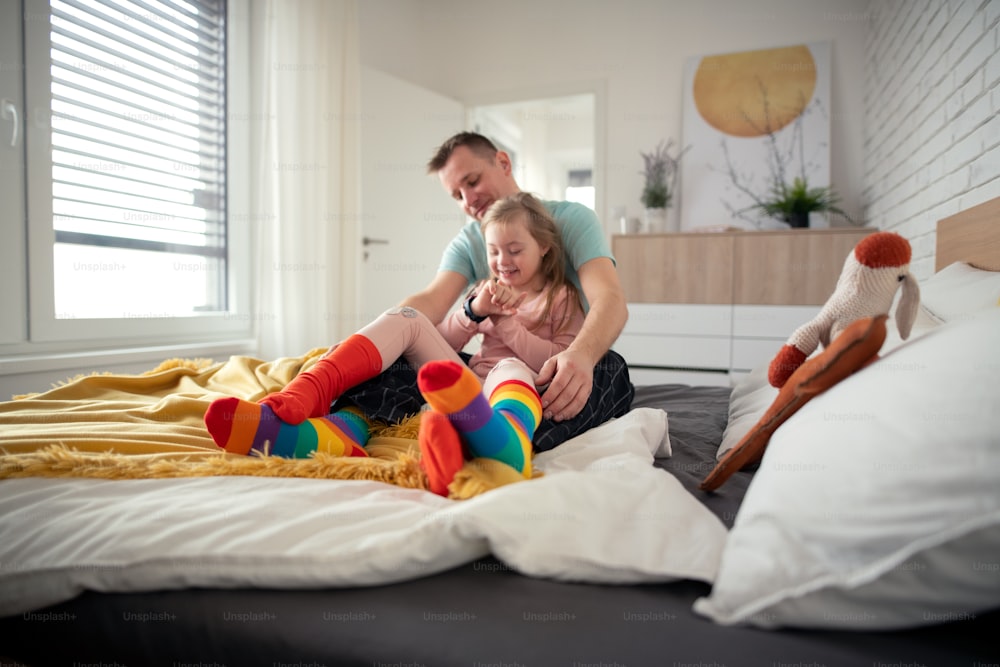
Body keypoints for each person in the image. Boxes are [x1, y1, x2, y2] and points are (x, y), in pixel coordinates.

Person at [204, 193, 585, 494]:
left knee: (510, 366)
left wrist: (506, 326)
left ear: (545, 248)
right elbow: (445, 342)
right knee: (410, 318)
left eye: (515, 250)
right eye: (493, 252)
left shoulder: (560, 297)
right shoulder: (485, 290)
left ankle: (502, 445)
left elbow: (554, 362)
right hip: (465, 380)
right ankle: (313, 388)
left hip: (512, 387)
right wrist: (472, 312)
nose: (503, 261)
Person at [336, 132, 634, 451]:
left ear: (503, 163)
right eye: (457, 195)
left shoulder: (571, 219)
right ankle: (341, 423)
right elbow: (429, 302)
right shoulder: (469, 241)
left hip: (554, 366)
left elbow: (610, 299)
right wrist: (374, 340)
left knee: (610, 369)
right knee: (397, 364)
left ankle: (501, 438)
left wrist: (581, 356)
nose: (468, 200)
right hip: (490, 373)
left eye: (473, 181)